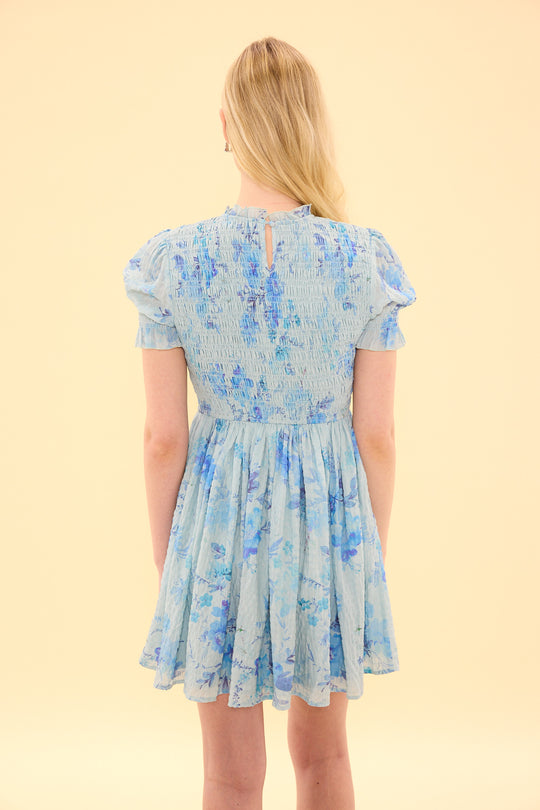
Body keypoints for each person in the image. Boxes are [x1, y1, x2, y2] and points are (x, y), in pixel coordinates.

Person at [123, 35, 416, 810]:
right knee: (324, 762)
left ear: (227, 125)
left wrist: (175, 559)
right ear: (311, 124)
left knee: (228, 776)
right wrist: (364, 554)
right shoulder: (364, 261)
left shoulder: (172, 263)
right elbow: (377, 435)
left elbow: (163, 440)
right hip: (328, 530)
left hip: (215, 528)